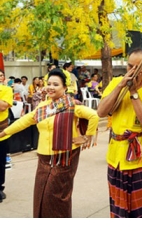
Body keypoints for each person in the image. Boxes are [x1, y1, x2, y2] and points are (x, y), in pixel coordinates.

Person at [0, 68, 99, 217]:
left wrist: (85, 137)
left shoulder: (71, 105)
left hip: (64, 158)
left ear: (65, 87)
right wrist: (4, 132)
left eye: (56, 84)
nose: (51, 87)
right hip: (44, 158)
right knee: (41, 196)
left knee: (56, 197)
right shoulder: (43, 107)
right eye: (49, 83)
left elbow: (94, 116)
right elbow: (24, 121)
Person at [96, 47, 142, 218]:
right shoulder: (115, 83)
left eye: (138, 67)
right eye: (129, 66)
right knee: (117, 205)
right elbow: (101, 112)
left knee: (141, 207)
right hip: (116, 156)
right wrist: (120, 86)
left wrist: (133, 92)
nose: (132, 71)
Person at [0, 70, 13, 203]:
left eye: (1, 75)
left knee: (0, 162)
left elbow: (3, 106)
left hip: (1, 133)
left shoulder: (6, 90)